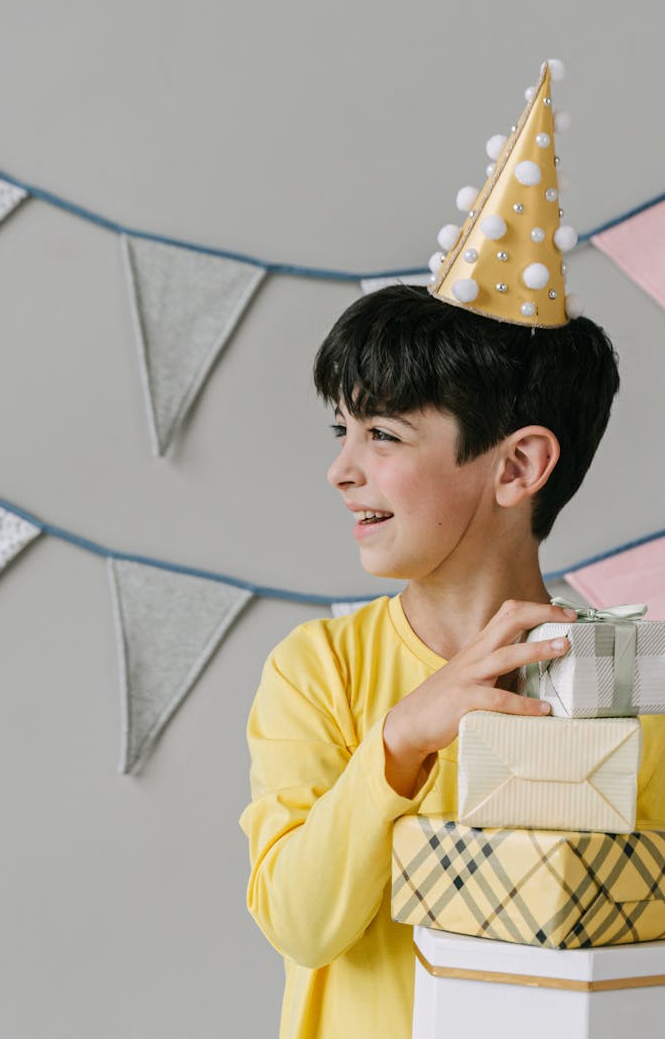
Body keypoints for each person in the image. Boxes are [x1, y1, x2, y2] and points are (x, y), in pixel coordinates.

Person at [239, 61, 665, 1037]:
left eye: (383, 436)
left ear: (517, 467)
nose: (343, 470)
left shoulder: (631, 680)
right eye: (339, 432)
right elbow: (303, 924)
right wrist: (399, 740)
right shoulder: (321, 673)